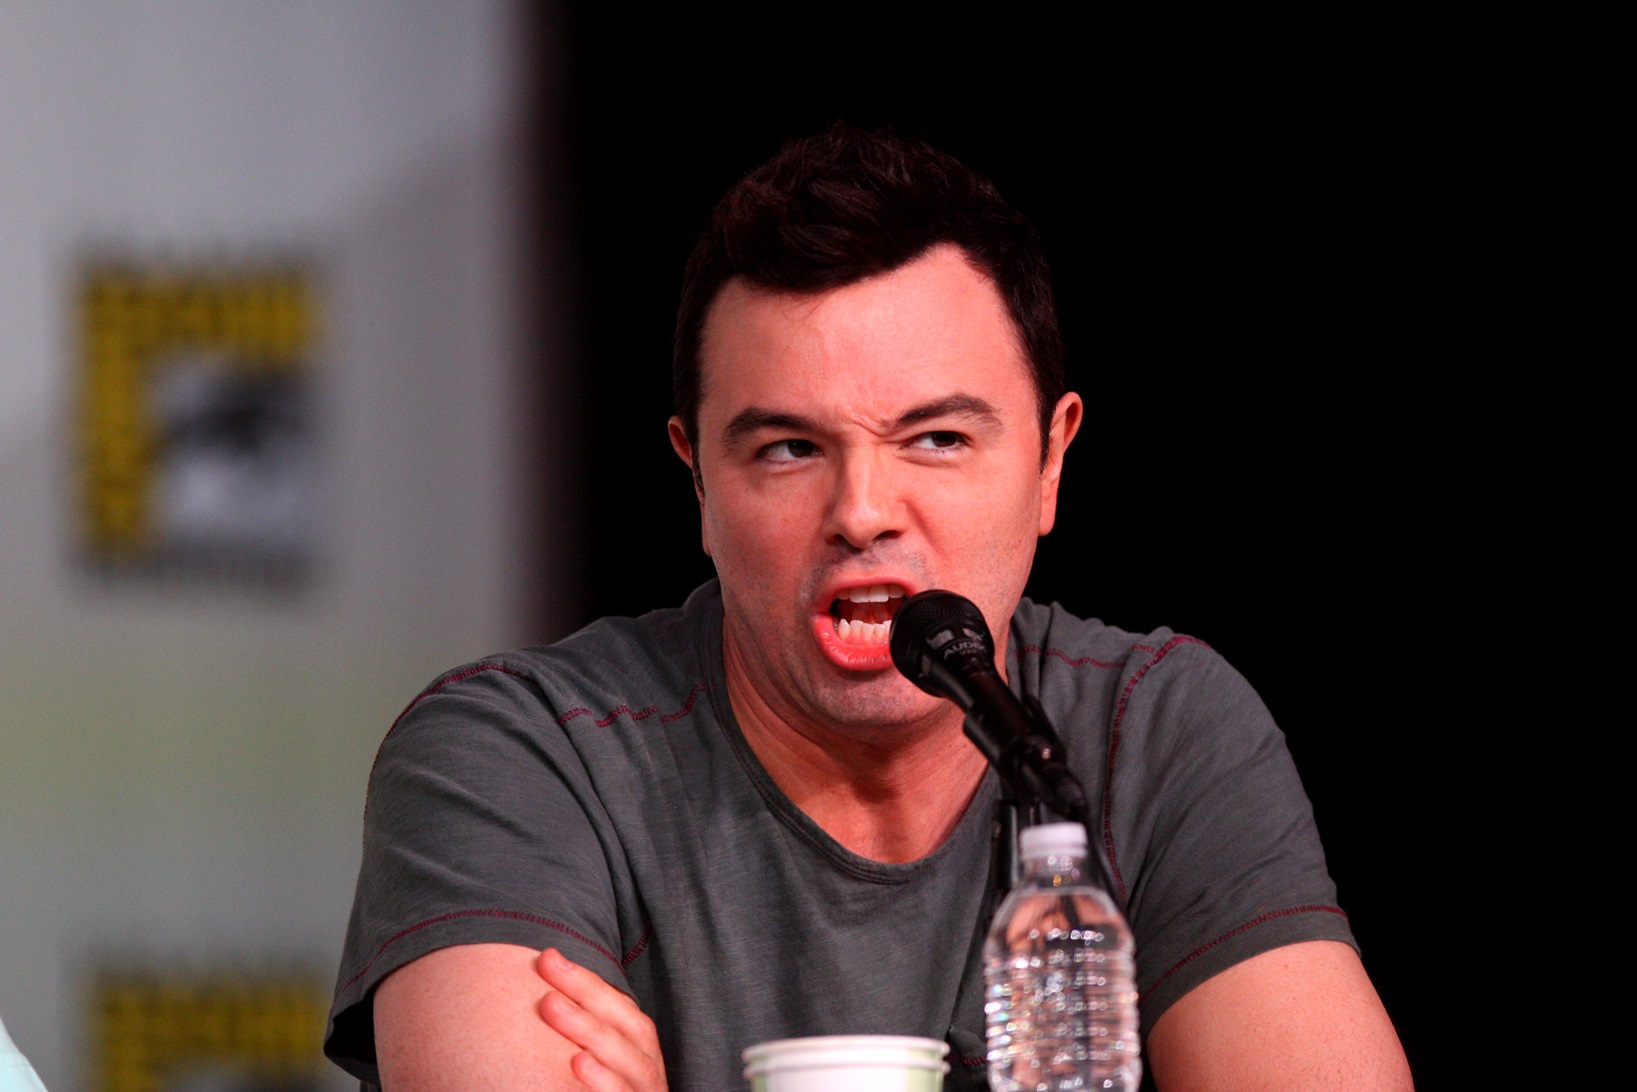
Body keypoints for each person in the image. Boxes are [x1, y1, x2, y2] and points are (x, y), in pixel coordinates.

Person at [324, 124, 1411, 1090]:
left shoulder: (1157, 732)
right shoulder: (512, 757)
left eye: (935, 439)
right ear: (696, 480)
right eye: (789, 448)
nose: (860, 512)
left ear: (1048, 465)